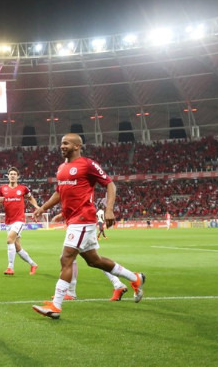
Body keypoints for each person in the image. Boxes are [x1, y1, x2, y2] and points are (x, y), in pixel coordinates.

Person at [32, 133, 145, 319]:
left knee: (66, 258)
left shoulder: (87, 164)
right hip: (73, 220)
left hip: (83, 219)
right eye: (61, 143)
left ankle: (56, 306)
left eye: (66, 143)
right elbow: (60, 192)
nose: (62, 146)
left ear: (77, 146)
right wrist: (43, 208)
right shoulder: (62, 168)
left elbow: (110, 185)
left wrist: (109, 210)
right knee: (95, 261)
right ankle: (135, 278)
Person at [52, 213, 128, 301]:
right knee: (95, 260)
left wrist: (61, 214)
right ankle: (119, 284)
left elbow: (79, 203)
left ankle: (70, 293)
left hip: (81, 223)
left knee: (70, 257)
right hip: (82, 223)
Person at [0, 167, 40, 276]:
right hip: (8, 221)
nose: (13, 175)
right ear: (8, 176)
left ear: (18, 176)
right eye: (11, 174)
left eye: (15, 174)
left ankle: (10, 267)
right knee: (17, 247)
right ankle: (33, 264)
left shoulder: (23, 188)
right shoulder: (2, 189)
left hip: (19, 220)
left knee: (9, 240)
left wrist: (36, 206)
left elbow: (30, 198)